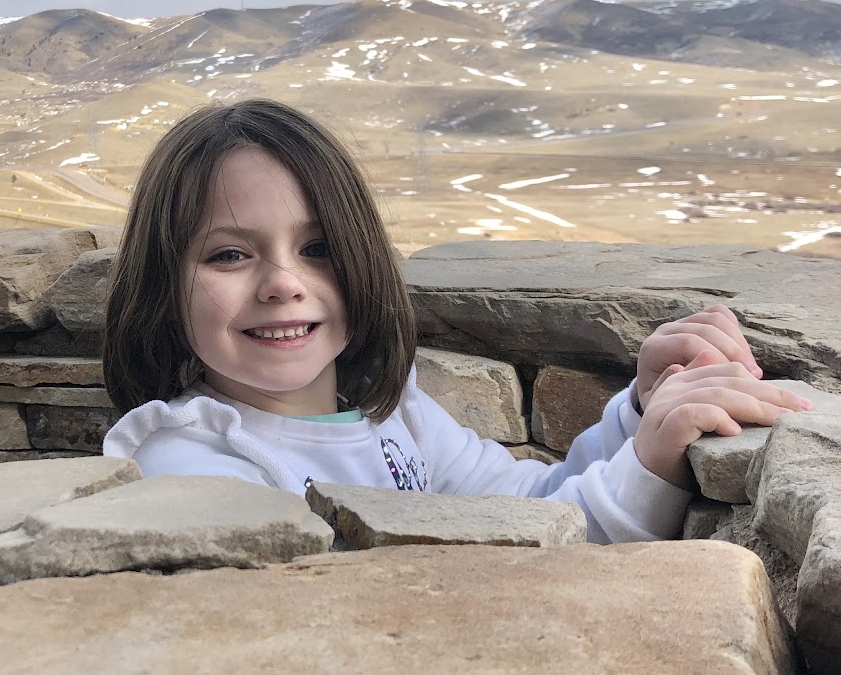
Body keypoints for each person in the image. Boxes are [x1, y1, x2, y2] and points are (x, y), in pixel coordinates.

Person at [102, 100, 812, 543]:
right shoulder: (192, 468)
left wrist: (641, 411)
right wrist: (650, 465)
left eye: (318, 248)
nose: (284, 283)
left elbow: (531, 512)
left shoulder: (390, 412)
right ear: (163, 286)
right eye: (230, 254)